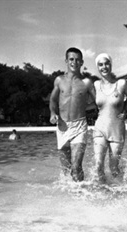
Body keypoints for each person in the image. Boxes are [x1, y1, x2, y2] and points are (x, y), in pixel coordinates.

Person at [49, 47, 96, 182]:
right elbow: (52, 99)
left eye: (77, 60)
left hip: (79, 125)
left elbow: (98, 102)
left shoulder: (86, 82)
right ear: (66, 61)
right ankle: (70, 198)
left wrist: (83, 108)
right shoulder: (59, 80)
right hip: (62, 126)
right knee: (66, 170)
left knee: (76, 167)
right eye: (71, 59)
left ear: (82, 62)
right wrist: (53, 113)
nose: (74, 62)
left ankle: (81, 194)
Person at [93, 53, 127, 183]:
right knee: (98, 165)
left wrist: (125, 111)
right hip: (100, 128)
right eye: (100, 64)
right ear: (97, 67)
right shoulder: (96, 85)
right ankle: (102, 192)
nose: (104, 67)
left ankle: (117, 191)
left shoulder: (121, 84)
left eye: (106, 63)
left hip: (117, 129)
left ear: (111, 65)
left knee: (113, 168)